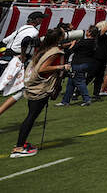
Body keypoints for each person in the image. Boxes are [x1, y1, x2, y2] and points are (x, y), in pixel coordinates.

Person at [12, 28, 68, 157]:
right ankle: (19, 148)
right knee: (31, 117)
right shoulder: (54, 52)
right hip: (39, 89)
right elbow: (43, 69)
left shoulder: (44, 48)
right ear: (59, 38)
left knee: (31, 116)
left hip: (33, 86)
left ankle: (21, 144)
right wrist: (61, 67)